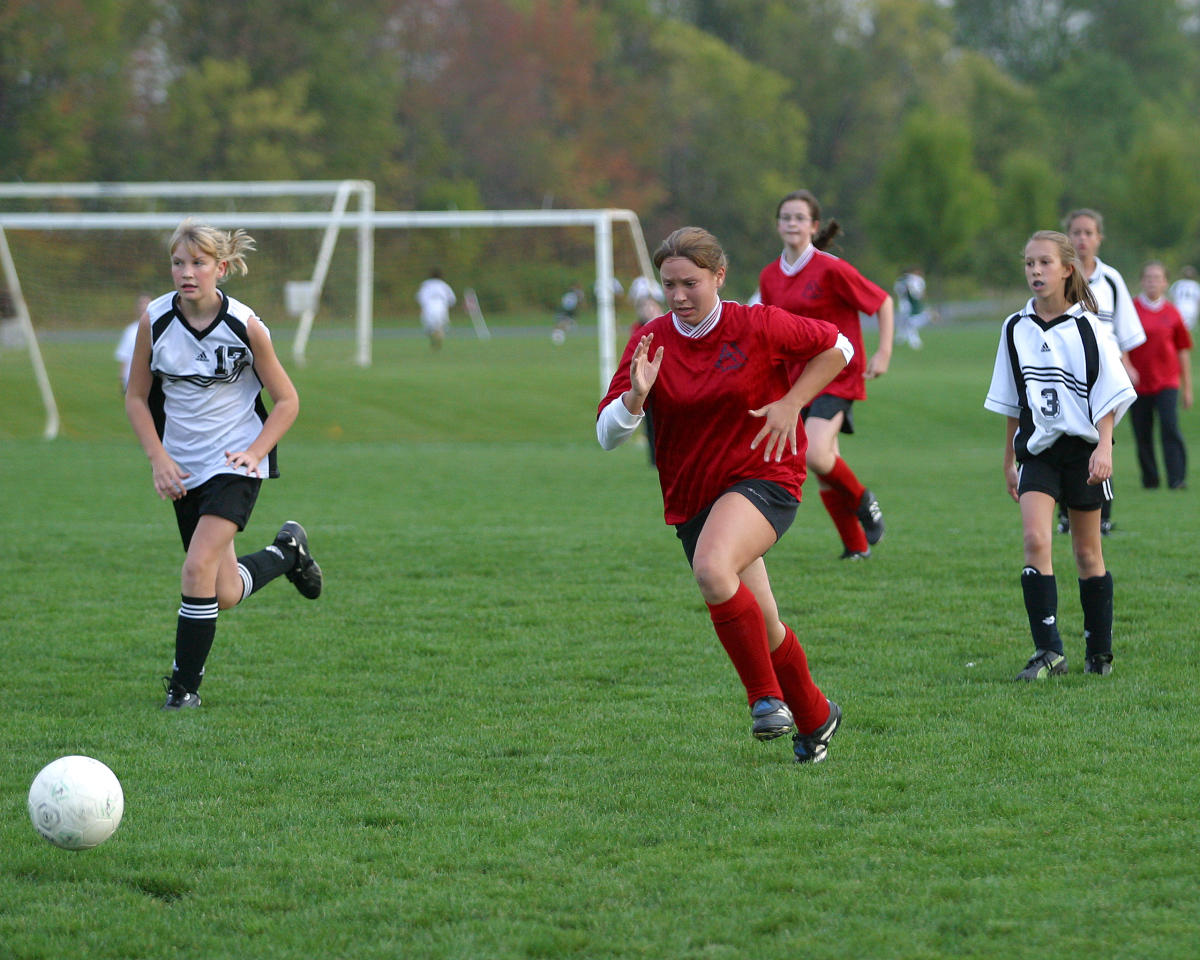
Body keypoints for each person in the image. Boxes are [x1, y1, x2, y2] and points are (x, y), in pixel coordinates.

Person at [596, 226, 851, 762]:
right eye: (669, 285)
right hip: (694, 497)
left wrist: (792, 402)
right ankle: (816, 715)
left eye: (691, 283)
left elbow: (838, 347)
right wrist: (635, 399)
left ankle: (766, 701)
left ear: (719, 276)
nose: (679, 295)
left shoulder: (756, 324)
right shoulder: (652, 340)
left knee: (713, 570)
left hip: (766, 477)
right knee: (765, 622)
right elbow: (606, 435)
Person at [125, 219, 323, 710]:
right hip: (183, 469)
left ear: (223, 267)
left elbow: (287, 401)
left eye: (198, 263)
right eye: (178, 262)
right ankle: (287, 554)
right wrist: (159, 458)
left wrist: (254, 454)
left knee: (195, 570)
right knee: (224, 591)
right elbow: (135, 397)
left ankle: (183, 690)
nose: (186, 272)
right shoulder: (155, 320)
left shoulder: (246, 326)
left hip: (236, 462)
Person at [984, 230, 1136, 680]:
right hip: (1038, 453)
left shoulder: (1089, 327)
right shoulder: (1014, 328)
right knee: (1035, 541)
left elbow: (1108, 394)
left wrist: (1104, 447)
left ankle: (1099, 651)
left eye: (1045, 263)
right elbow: (1013, 401)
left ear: (1067, 269)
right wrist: (1009, 460)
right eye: (1029, 263)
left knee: (1088, 554)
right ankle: (1049, 651)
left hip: (1084, 453)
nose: (1035, 271)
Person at [755, 189, 894, 560]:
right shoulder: (770, 276)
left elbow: (882, 302)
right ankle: (856, 546)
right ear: (778, 225)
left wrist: (883, 352)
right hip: (797, 381)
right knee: (822, 460)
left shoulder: (831, 268)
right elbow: (770, 329)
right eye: (786, 217)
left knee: (815, 454)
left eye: (800, 217)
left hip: (838, 373)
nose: (792, 223)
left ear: (814, 226)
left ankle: (865, 502)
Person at [1058, 208, 1145, 536]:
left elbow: (1123, 330)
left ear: (1099, 238)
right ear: (1068, 236)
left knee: (1101, 443)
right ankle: (1065, 514)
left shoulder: (1110, 280)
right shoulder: (1057, 276)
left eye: (1088, 232)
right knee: (1062, 440)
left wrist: (1128, 364)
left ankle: (1101, 516)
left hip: (1103, 376)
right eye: (1076, 232)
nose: (1082, 238)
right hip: (1065, 375)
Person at [1128, 261, 1193, 490]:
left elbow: (1182, 349)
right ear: (1142, 281)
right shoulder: (1131, 309)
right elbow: (1121, 343)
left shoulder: (1173, 313)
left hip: (1167, 381)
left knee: (1169, 426)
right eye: (1148, 277)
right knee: (1142, 432)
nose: (1152, 282)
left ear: (1165, 282)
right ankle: (1150, 479)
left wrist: (1187, 388)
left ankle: (1177, 478)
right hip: (1138, 383)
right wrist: (1127, 366)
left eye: (1157, 277)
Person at [115, 293, 153, 390]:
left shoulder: (160, 328)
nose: (144, 307)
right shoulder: (130, 330)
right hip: (132, 380)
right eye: (141, 304)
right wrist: (123, 378)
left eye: (147, 304)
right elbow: (124, 356)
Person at [415, 268, 456, 351]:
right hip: (441, 306)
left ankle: (433, 341)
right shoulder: (444, 285)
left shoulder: (425, 285)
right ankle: (438, 342)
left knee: (429, 327)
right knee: (440, 326)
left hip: (429, 306)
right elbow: (452, 299)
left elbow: (419, 297)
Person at [894, 267, 930, 349]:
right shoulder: (903, 281)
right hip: (906, 303)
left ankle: (903, 337)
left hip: (911, 304)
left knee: (908, 322)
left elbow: (919, 293)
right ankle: (909, 339)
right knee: (906, 321)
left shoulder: (914, 280)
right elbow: (903, 293)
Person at [1169, 265, 1200, 331]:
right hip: (1192, 310)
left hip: (1179, 308)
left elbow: (1171, 298)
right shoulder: (1196, 286)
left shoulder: (1177, 284)